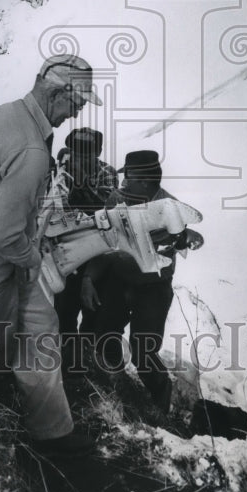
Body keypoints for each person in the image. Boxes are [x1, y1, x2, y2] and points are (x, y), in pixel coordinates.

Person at [0, 53, 103, 456]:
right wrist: (32, 260)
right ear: (59, 93)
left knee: (42, 329)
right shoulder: (31, 149)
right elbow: (2, 235)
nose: (77, 113)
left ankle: (53, 433)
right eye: (78, 104)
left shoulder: (6, 113)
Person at [80, 150, 203, 414]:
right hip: (118, 279)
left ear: (146, 181)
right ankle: (112, 389)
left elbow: (178, 242)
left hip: (153, 289)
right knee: (105, 334)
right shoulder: (117, 199)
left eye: (130, 178)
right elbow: (103, 242)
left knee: (144, 351)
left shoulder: (170, 208)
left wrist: (186, 235)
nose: (122, 184)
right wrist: (89, 278)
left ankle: (160, 407)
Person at [52, 128, 118, 368]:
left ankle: (88, 360)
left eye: (86, 153)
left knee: (94, 312)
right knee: (64, 309)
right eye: (76, 152)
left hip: (97, 251)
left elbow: (101, 210)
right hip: (68, 250)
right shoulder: (63, 171)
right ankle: (68, 362)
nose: (80, 157)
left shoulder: (106, 173)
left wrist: (77, 184)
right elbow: (56, 207)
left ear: (97, 152)